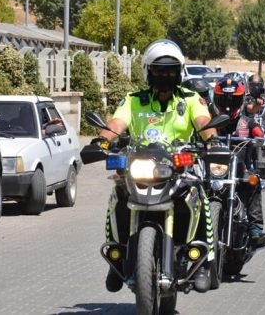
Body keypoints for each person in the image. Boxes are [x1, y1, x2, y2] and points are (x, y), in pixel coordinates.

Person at [92, 39, 216, 293]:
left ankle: (205, 262)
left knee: (199, 195)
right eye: (160, 70)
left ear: (179, 73)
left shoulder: (191, 99)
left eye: (171, 70)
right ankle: (117, 254)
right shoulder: (133, 99)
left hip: (181, 166)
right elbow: (117, 124)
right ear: (148, 71)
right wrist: (102, 141)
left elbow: (204, 122)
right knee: (117, 194)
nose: (166, 75)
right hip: (141, 166)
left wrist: (211, 141)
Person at [209, 75, 265, 247]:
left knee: (253, 181)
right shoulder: (209, 122)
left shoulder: (247, 122)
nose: (228, 103)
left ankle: (255, 229)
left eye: (232, 99)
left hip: (239, 169)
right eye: (224, 99)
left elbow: (262, 134)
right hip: (212, 170)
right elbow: (195, 134)